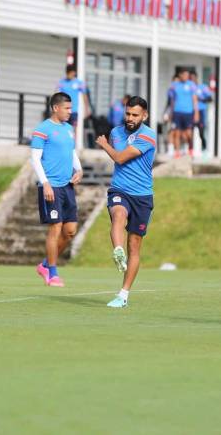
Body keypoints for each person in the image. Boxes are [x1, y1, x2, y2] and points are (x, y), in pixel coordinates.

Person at [95, 96, 156, 308]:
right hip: (119, 189)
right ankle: (117, 251)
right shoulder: (115, 132)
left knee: (135, 246)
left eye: (135, 115)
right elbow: (119, 159)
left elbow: (120, 158)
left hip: (142, 196)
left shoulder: (148, 136)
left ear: (144, 116)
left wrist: (103, 145)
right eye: (128, 114)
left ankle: (123, 295)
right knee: (118, 214)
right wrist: (109, 143)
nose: (130, 118)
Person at [31, 92, 83, 288]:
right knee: (55, 228)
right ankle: (52, 273)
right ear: (55, 108)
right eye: (67, 108)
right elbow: (35, 159)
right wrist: (44, 183)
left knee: (70, 231)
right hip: (50, 185)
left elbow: (71, 151)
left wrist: (79, 169)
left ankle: (45, 264)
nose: (71, 111)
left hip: (67, 185)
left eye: (71, 108)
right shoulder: (42, 130)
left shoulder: (69, 129)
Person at [168, 69, 199, 158]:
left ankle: (190, 149)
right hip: (177, 112)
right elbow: (172, 100)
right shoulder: (174, 85)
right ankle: (177, 152)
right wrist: (171, 113)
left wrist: (196, 112)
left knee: (188, 133)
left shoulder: (191, 85)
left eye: (187, 75)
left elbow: (195, 99)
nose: (186, 77)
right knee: (176, 133)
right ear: (180, 75)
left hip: (188, 112)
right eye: (184, 75)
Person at [56, 64, 90, 129]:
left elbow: (84, 96)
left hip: (74, 111)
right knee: (63, 129)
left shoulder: (79, 83)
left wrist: (86, 109)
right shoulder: (61, 82)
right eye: (68, 74)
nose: (70, 75)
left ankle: (73, 139)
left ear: (74, 73)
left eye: (71, 73)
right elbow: (57, 95)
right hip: (63, 110)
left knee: (73, 129)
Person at [191, 72, 212, 155]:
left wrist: (200, 99)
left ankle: (204, 149)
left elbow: (210, 99)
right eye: (190, 78)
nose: (192, 80)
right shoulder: (189, 88)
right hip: (191, 111)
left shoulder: (203, 87)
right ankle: (190, 151)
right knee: (189, 132)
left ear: (196, 78)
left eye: (193, 78)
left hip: (201, 111)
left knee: (201, 132)